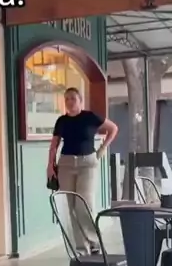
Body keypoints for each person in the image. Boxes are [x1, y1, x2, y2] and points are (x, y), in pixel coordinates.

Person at [46, 87, 118, 254]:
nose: (70, 102)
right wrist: (50, 165)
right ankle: (81, 248)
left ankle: (94, 242)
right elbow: (54, 144)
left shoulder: (89, 117)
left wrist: (103, 148)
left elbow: (113, 128)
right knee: (70, 207)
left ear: (80, 100)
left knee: (84, 204)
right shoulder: (62, 121)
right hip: (66, 164)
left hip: (87, 164)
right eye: (67, 99)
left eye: (73, 98)